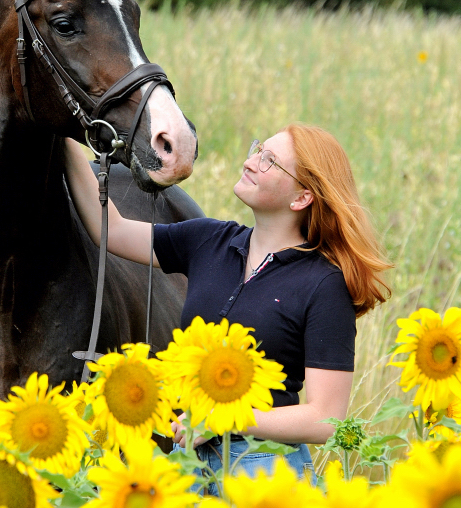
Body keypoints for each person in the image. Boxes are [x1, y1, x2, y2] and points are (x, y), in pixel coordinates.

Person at [63, 124, 391, 484]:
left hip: (264, 468)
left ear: (301, 198)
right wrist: (59, 135)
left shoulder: (324, 284)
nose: (251, 162)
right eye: (258, 149)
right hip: (187, 464)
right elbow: (112, 229)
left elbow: (325, 419)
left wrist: (222, 417)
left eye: (270, 161)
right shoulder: (209, 240)